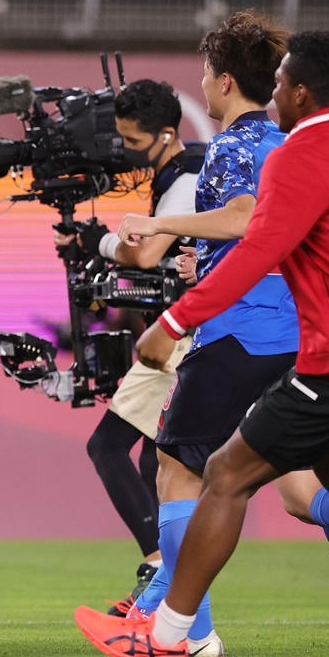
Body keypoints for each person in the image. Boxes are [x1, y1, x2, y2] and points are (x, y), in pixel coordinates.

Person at [74, 30, 329, 657]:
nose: (272, 93)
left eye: (281, 84)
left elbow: (254, 248)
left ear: (302, 93)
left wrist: (171, 318)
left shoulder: (293, 155)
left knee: (222, 475)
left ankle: (167, 635)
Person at [52, 79, 205, 606]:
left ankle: (160, 571)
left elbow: (145, 256)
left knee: (110, 447)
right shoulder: (171, 175)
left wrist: (96, 240)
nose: (128, 154)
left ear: (166, 134)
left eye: (135, 142)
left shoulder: (186, 176)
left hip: (185, 336)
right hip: (180, 331)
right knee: (154, 465)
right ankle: (163, 596)